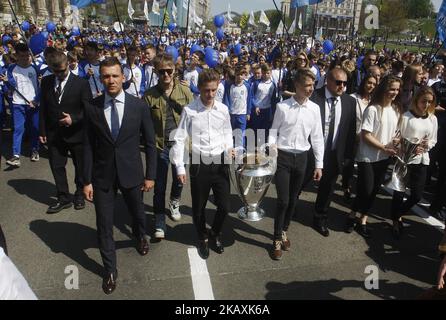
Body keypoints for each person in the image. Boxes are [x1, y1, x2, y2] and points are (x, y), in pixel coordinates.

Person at [83, 57, 157, 294]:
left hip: (132, 173)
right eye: (106, 76)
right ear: (101, 77)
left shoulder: (139, 106)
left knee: (137, 213)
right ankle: (110, 270)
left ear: (123, 77)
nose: (111, 80)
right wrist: (86, 180)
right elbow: (87, 146)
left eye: (115, 76)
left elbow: (151, 144)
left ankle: (141, 236)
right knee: (103, 225)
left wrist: (150, 175)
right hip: (102, 177)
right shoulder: (92, 107)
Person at [172, 69, 233, 260]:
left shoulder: (223, 109)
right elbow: (180, 139)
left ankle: (215, 233)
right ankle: (202, 237)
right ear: (199, 89)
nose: (210, 95)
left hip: (220, 162)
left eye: (214, 90)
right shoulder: (189, 111)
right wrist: (180, 167)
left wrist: (229, 148)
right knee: (198, 208)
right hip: (199, 163)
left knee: (224, 206)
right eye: (207, 90)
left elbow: (227, 133)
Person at [268, 68, 324, 260]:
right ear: (297, 86)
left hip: (302, 159)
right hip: (283, 158)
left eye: (313, 85)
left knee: (293, 200)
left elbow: (317, 138)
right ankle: (276, 238)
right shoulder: (283, 107)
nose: (311, 89)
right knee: (283, 200)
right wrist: (272, 148)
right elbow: (272, 131)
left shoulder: (315, 109)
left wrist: (319, 164)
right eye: (307, 85)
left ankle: (284, 230)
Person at [345, 75, 402, 237]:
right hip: (367, 157)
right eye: (392, 89)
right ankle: (352, 214)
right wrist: (384, 147)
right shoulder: (373, 109)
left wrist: (396, 141)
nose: (395, 92)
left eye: (397, 89)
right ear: (384, 88)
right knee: (366, 189)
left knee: (373, 190)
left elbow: (394, 134)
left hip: (384, 157)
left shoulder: (396, 110)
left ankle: (362, 219)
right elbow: (366, 135)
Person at [144, 53, 193, 240]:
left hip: (180, 146)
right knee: (159, 187)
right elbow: (145, 124)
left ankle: (174, 201)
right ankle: (159, 221)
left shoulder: (185, 92)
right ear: (156, 72)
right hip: (159, 146)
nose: (165, 74)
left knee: (179, 180)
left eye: (169, 71)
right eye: (161, 71)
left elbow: (193, 118)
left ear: (175, 71)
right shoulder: (149, 95)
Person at [39, 50, 92, 214]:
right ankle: (63, 197)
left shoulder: (81, 83)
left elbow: (89, 110)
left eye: (62, 70)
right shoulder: (47, 82)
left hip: (76, 133)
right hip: (55, 134)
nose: (59, 74)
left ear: (68, 64)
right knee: (56, 166)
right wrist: (42, 131)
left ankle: (79, 194)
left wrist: (74, 119)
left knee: (80, 166)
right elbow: (44, 108)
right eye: (56, 71)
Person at [310, 68, 356, 237]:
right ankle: (290, 209)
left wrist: (347, 158)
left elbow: (350, 132)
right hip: (311, 152)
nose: (342, 86)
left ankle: (320, 217)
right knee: (299, 183)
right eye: (338, 82)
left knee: (328, 188)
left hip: (334, 153)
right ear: (328, 81)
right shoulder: (314, 97)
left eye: (345, 83)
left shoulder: (350, 102)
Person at [390, 86, 438, 239]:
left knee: (417, 195)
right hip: (404, 159)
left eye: (430, 102)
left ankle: (398, 213)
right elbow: (396, 137)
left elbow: (433, 140)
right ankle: (396, 220)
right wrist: (403, 144)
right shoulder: (406, 117)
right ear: (416, 99)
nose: (427, 105)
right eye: (424, 101)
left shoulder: (432, 118)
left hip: (422, 160)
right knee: (399, 192)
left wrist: (426, 146)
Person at [342, 74, 378, 201]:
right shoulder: (353, 98)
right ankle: (346, 186)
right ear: (363, 82)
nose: (371, 86)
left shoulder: (375, 101)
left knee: (363, 166)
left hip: (367, 138)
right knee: (348, 164)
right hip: (352, 137)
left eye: (374, 84)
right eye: (369, 82)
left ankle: (358, 190)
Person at [5, 43, 40, 167]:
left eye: (27, 55)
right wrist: (8, 82)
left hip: (33, 104)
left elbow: (41, 87)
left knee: (34, 128)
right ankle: (16, 155)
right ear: (16, 56)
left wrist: (36, 100)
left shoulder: (35, 68)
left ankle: (34, 149)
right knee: (18, 129)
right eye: (22, 56)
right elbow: (11, 87)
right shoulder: (11, 68)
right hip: (18, 103)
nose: (25, 58)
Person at [223, 64, 252, 148]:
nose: (239, 76)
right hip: (232, 114)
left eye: (241, 75)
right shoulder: (229, 86)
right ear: (235, 74)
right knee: (231, 132)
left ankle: (240, 150)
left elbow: (249, 99)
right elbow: (226, 99)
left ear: (244, 75)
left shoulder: (247, 86)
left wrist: (248, 112)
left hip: (242, 114)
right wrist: (226, 111)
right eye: (238, 74)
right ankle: (231, 149)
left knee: (241, 133)